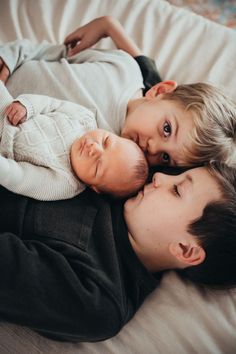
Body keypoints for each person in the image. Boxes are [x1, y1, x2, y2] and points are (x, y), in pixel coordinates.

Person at [0, 163, 236, 341]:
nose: (159, 177)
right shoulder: (127, 174)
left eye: (177, 190)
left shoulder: (99, 300)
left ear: (185, 250)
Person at [1, 16, 236, 168]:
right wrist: (9, 57)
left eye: (166, 158)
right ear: (159, 91)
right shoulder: (123, 69)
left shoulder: (111, 159)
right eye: (166, 129)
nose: (153, 149)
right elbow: (51, 52)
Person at [0, 82, 148, 200]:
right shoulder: (85, 118)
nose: (94, 148)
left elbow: (21, 178)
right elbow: (52, 104)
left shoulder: (64, 183)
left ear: (94, 187)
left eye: (97, 165)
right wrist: (28, 106)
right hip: (8, 110)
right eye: (105, 141)